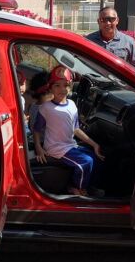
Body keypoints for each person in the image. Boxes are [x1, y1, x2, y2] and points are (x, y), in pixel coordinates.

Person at [32, 65, 105, 197]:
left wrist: (94, 144)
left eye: (65, 85)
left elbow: (75, 129)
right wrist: (38, 147)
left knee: (95, 158)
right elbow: (36, 129)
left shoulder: (72, 104)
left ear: (70, 86)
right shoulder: (46, 108)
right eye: (57, 86)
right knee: (86, 162)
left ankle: (89, 185)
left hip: (70, 145)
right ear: (50, 87)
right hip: (56, 148)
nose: (62, 89)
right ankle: (78, 188)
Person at [86, 7, 135, 73]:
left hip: (120, 82)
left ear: (117, 20)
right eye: (103, 19)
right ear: (98, 21)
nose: (108, 23)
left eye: (111, 19)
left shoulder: (128, 41)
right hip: (96, 81)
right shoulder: (89, 41)